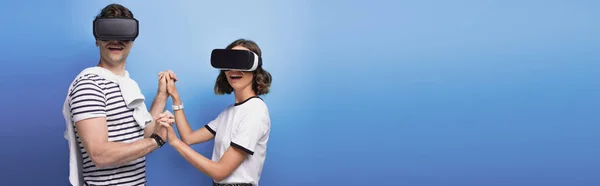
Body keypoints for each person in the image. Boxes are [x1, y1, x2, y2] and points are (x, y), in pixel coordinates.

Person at [62, 3, 174, 186]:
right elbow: (99, 154)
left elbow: (145, 134)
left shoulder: (128, 84)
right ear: (97, 39)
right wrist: (157, 141)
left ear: (132, 40)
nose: (116, 40)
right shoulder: (89, 85)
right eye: (108, 33)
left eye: (123, 34)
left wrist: (162, 95)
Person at [158, 39, 272, 186]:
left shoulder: (255, 111)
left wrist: (175, 143)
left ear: (255, 70)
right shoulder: (229, 112)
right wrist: (175, 96)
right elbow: (189, 137)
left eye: (241, 62)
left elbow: (220, 171)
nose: (233, 70)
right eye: (229, 63)